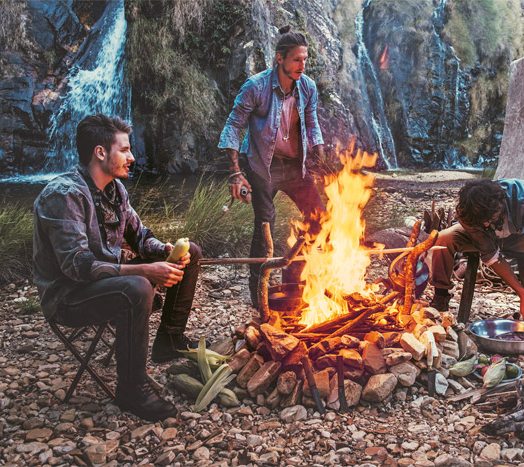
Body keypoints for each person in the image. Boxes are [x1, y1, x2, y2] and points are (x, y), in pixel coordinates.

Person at [34, 114, 203, 421]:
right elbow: (79, 268)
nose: (132, 157)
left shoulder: (116, 191)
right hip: (69, 297)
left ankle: (169, 340)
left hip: (107, 283)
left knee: (189, 251)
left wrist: (163, 251)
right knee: (137, 286)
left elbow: (140, 238)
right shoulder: (64, 195)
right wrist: (145, 272)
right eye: (124, 150)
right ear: (101, 152)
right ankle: (132, 389)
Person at [217, 25, 326, 306]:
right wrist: (235, 173)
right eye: (297, 60)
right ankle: (258, 291)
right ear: (280, 59)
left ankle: (293, 281)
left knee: (320, 220)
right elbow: (233, 126)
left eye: (305, 59)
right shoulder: (256, 86)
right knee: (265, 227)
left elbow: (312, 123)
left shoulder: (308, 87)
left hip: (295, 167)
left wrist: (319, 154)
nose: (303, 65)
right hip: (261, 166)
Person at [430, 178, 524, 333]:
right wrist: (521, 292)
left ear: (501, 205)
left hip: (520, 237)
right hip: (486, 240)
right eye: (481, 222)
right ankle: (440, 298)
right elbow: (491, 255)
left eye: (489, 219)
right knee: (442, 238)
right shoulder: (468, 211)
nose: (485, 224)